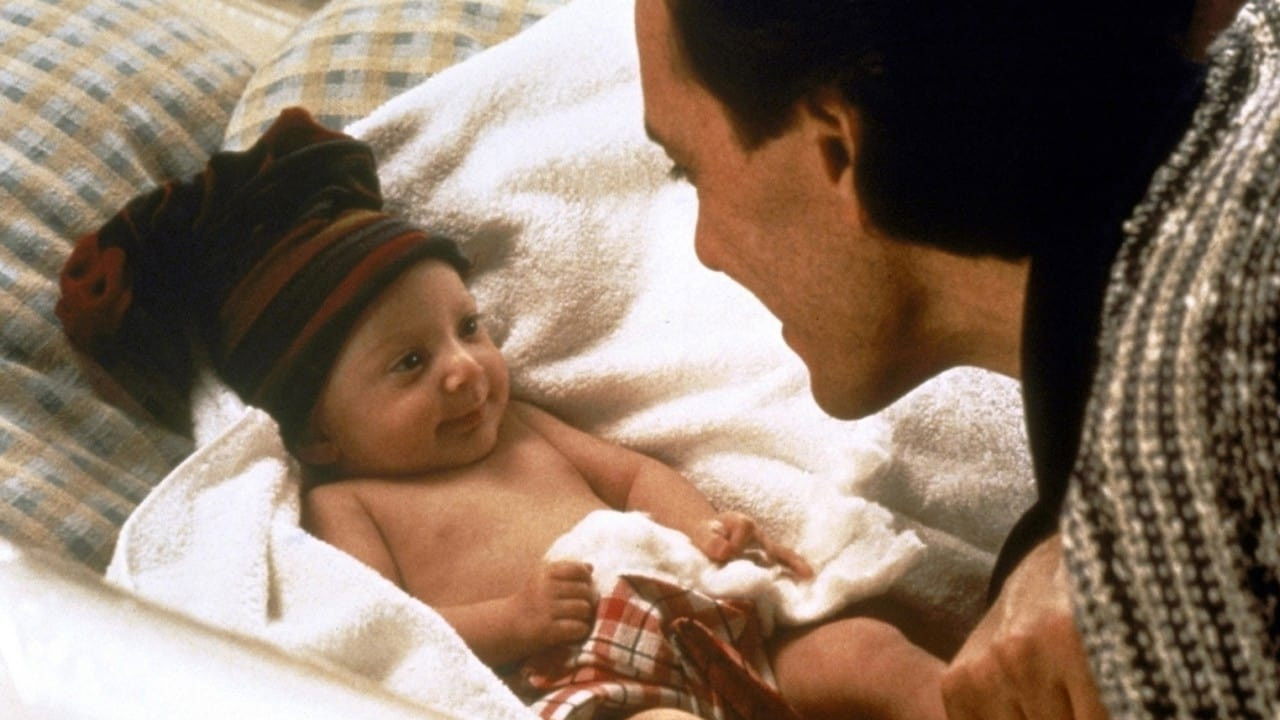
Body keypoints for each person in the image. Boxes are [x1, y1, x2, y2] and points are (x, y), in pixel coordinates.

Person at [56, 106, 949, 720]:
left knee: (868, 652)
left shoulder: (519, 422)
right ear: (320, 433)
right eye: (410, 363)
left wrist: (705, 529)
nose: (464, 371)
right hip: (584, 683)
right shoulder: (349, 504)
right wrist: (516, 619)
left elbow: (633, 476)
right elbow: (394, 631)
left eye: (468, 329)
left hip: (710, 627)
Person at [635, 0, 1277, 718]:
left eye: (688, 169)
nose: (706, 250)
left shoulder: (1182, 528)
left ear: (838, 151)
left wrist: (1146, 558)